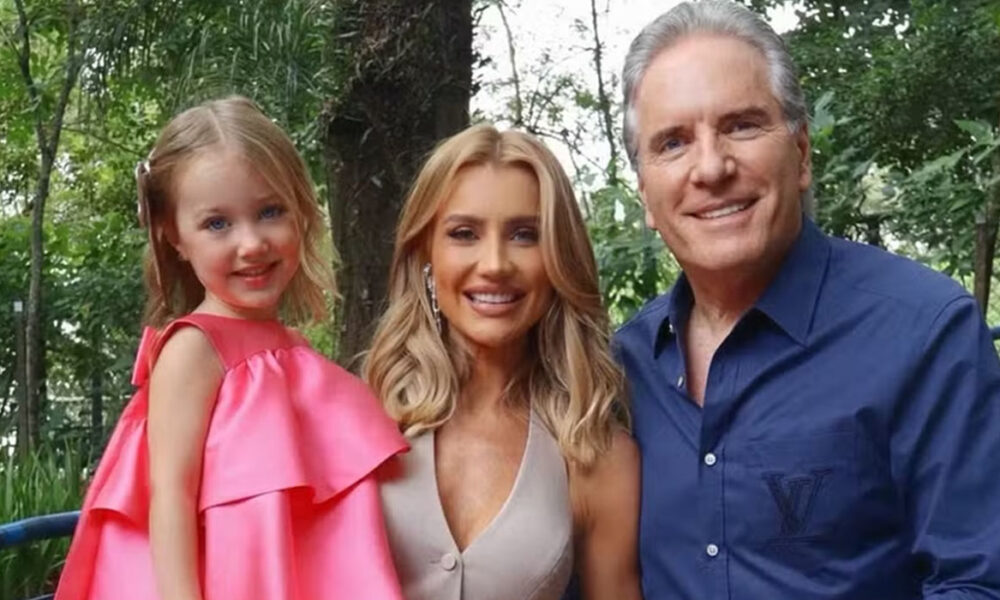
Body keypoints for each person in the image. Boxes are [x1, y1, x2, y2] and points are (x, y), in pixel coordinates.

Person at [612, 1, 1000, 599]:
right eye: (673, 142)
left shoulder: (922, 332)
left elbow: (977, 582)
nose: (711, 167)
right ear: (644, 191)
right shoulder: (620, 368)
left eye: (741, 125)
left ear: (801, 153)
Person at [55, 96, 408, 600]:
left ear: (301, 211)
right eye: (217, 223)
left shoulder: (290, 351)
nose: (252, 243)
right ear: (174, 236)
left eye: (270, 211)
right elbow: (170, 498)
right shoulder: (193, 349)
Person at [364, 124, 642, 600]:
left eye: (524, 235)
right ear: (426, 252)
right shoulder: (359, 417)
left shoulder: (596, 453)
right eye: (464, 234)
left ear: (558, 259)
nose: (495, 263)